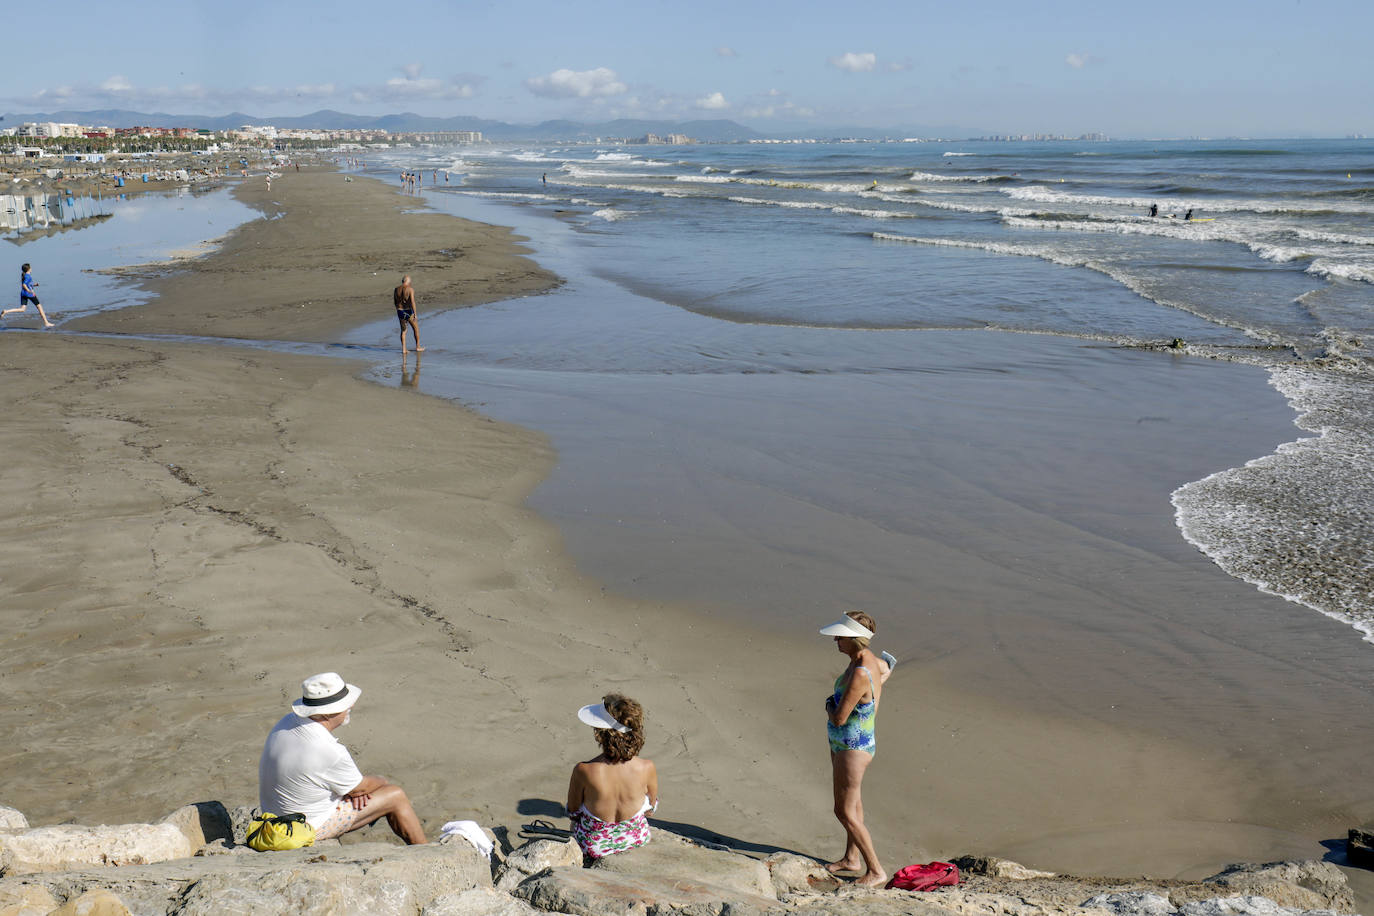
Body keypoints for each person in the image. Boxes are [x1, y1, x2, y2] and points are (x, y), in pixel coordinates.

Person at [258, 672, 426, 844]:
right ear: (326, 713)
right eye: (345, 704)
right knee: (395, 795)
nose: (351, 705)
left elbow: (354, 787)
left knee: (355, 786)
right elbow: (361, 788)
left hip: (274, 815)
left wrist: (355, 789)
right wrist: (376, 783)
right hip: (302, 827)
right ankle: (425, 853)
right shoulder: (328, 750)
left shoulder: (287, 722)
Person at [819, 611, 892, 887]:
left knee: (843, 811)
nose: (836, 639)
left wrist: (828, 704)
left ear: (855, 639)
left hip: (852, 747)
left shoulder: (861, 671)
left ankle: (875, 870)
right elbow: (885, 671)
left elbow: (838, 717)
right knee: (855, 805)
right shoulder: (872, 662)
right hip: (848, 742)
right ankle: (852, 858)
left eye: (841, 636)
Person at [566, 694, 658, 859]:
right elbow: (651, 808)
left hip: (593, 846)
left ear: (600, 732)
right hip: (637, 839)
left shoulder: (584, 770)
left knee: (576, 822)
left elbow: (573, 811)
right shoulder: (647, 767)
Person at [4, 263, 56, 328]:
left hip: (23, 293)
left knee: (22, 309)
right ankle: (46, 322)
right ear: (29, 269)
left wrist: (34, 285)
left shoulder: (25, 275)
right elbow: (24, 285)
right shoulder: (28, 276)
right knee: (40, 307)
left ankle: (6, 311)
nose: (31, 268)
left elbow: (27, 284)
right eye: (30, 267)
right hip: (30, 294)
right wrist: (29, 291)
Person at [393, 275, 424, 353]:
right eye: (410, 282)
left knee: (403, 331)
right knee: (415, 328)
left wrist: (398, 310)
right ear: (408, 281)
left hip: (400, 311)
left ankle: (404, 349)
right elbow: (412, 302)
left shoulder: (396, 289)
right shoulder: (410, 289)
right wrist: (415, 314)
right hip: (408, 311)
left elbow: (395, 302)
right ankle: (418, 347)